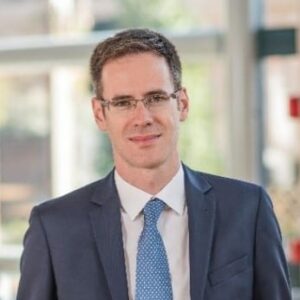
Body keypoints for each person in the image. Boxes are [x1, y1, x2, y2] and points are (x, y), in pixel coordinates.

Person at [17, 28, 291, 300]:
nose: (142, 117)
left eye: (156, 98)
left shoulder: (247, 209)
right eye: (123, 103)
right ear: (100, 114)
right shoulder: (54, 229)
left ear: (182, 104)